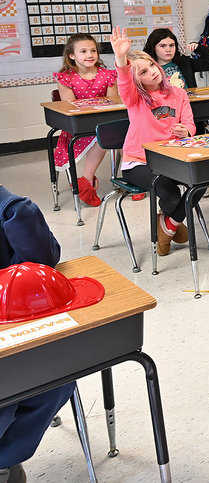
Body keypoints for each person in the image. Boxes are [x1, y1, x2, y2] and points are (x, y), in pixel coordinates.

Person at [0, 183, 76, 483]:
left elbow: (41, 260)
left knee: (57, 378)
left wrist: (13, 209)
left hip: (17, 342)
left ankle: (5, 461)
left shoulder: (11, 211)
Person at [111, 26, 200, 256]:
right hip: (139, 162)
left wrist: (186, 131)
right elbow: (123, 80)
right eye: (142, 72)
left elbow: (191, 124)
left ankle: (168, 226)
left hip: (171, 157)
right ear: (136, 81)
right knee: (171, 194)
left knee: (202, 180)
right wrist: (121, 58)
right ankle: (174, 224)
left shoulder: (178, 94)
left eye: (151, 64)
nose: (152, 71)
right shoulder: (135, 98)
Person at [53, 33, 117, 207]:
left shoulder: (109, 75)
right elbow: (70, 106)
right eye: (83, 51)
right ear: (71, 55)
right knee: (104, 136)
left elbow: (113, 104)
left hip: (104, 122)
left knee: (124, 131)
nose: (90, 55)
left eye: (93, 50)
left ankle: (129, 177)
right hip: (79, 125)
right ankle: (87, 182)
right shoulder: (66, 78)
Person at [143, 28, 209, 90]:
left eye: (171, 45)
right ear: (153, 48)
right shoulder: (149, 68)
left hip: (188, 104)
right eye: (163, 46)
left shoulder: (184, 62)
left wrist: (200, 49)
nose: (168, 49)